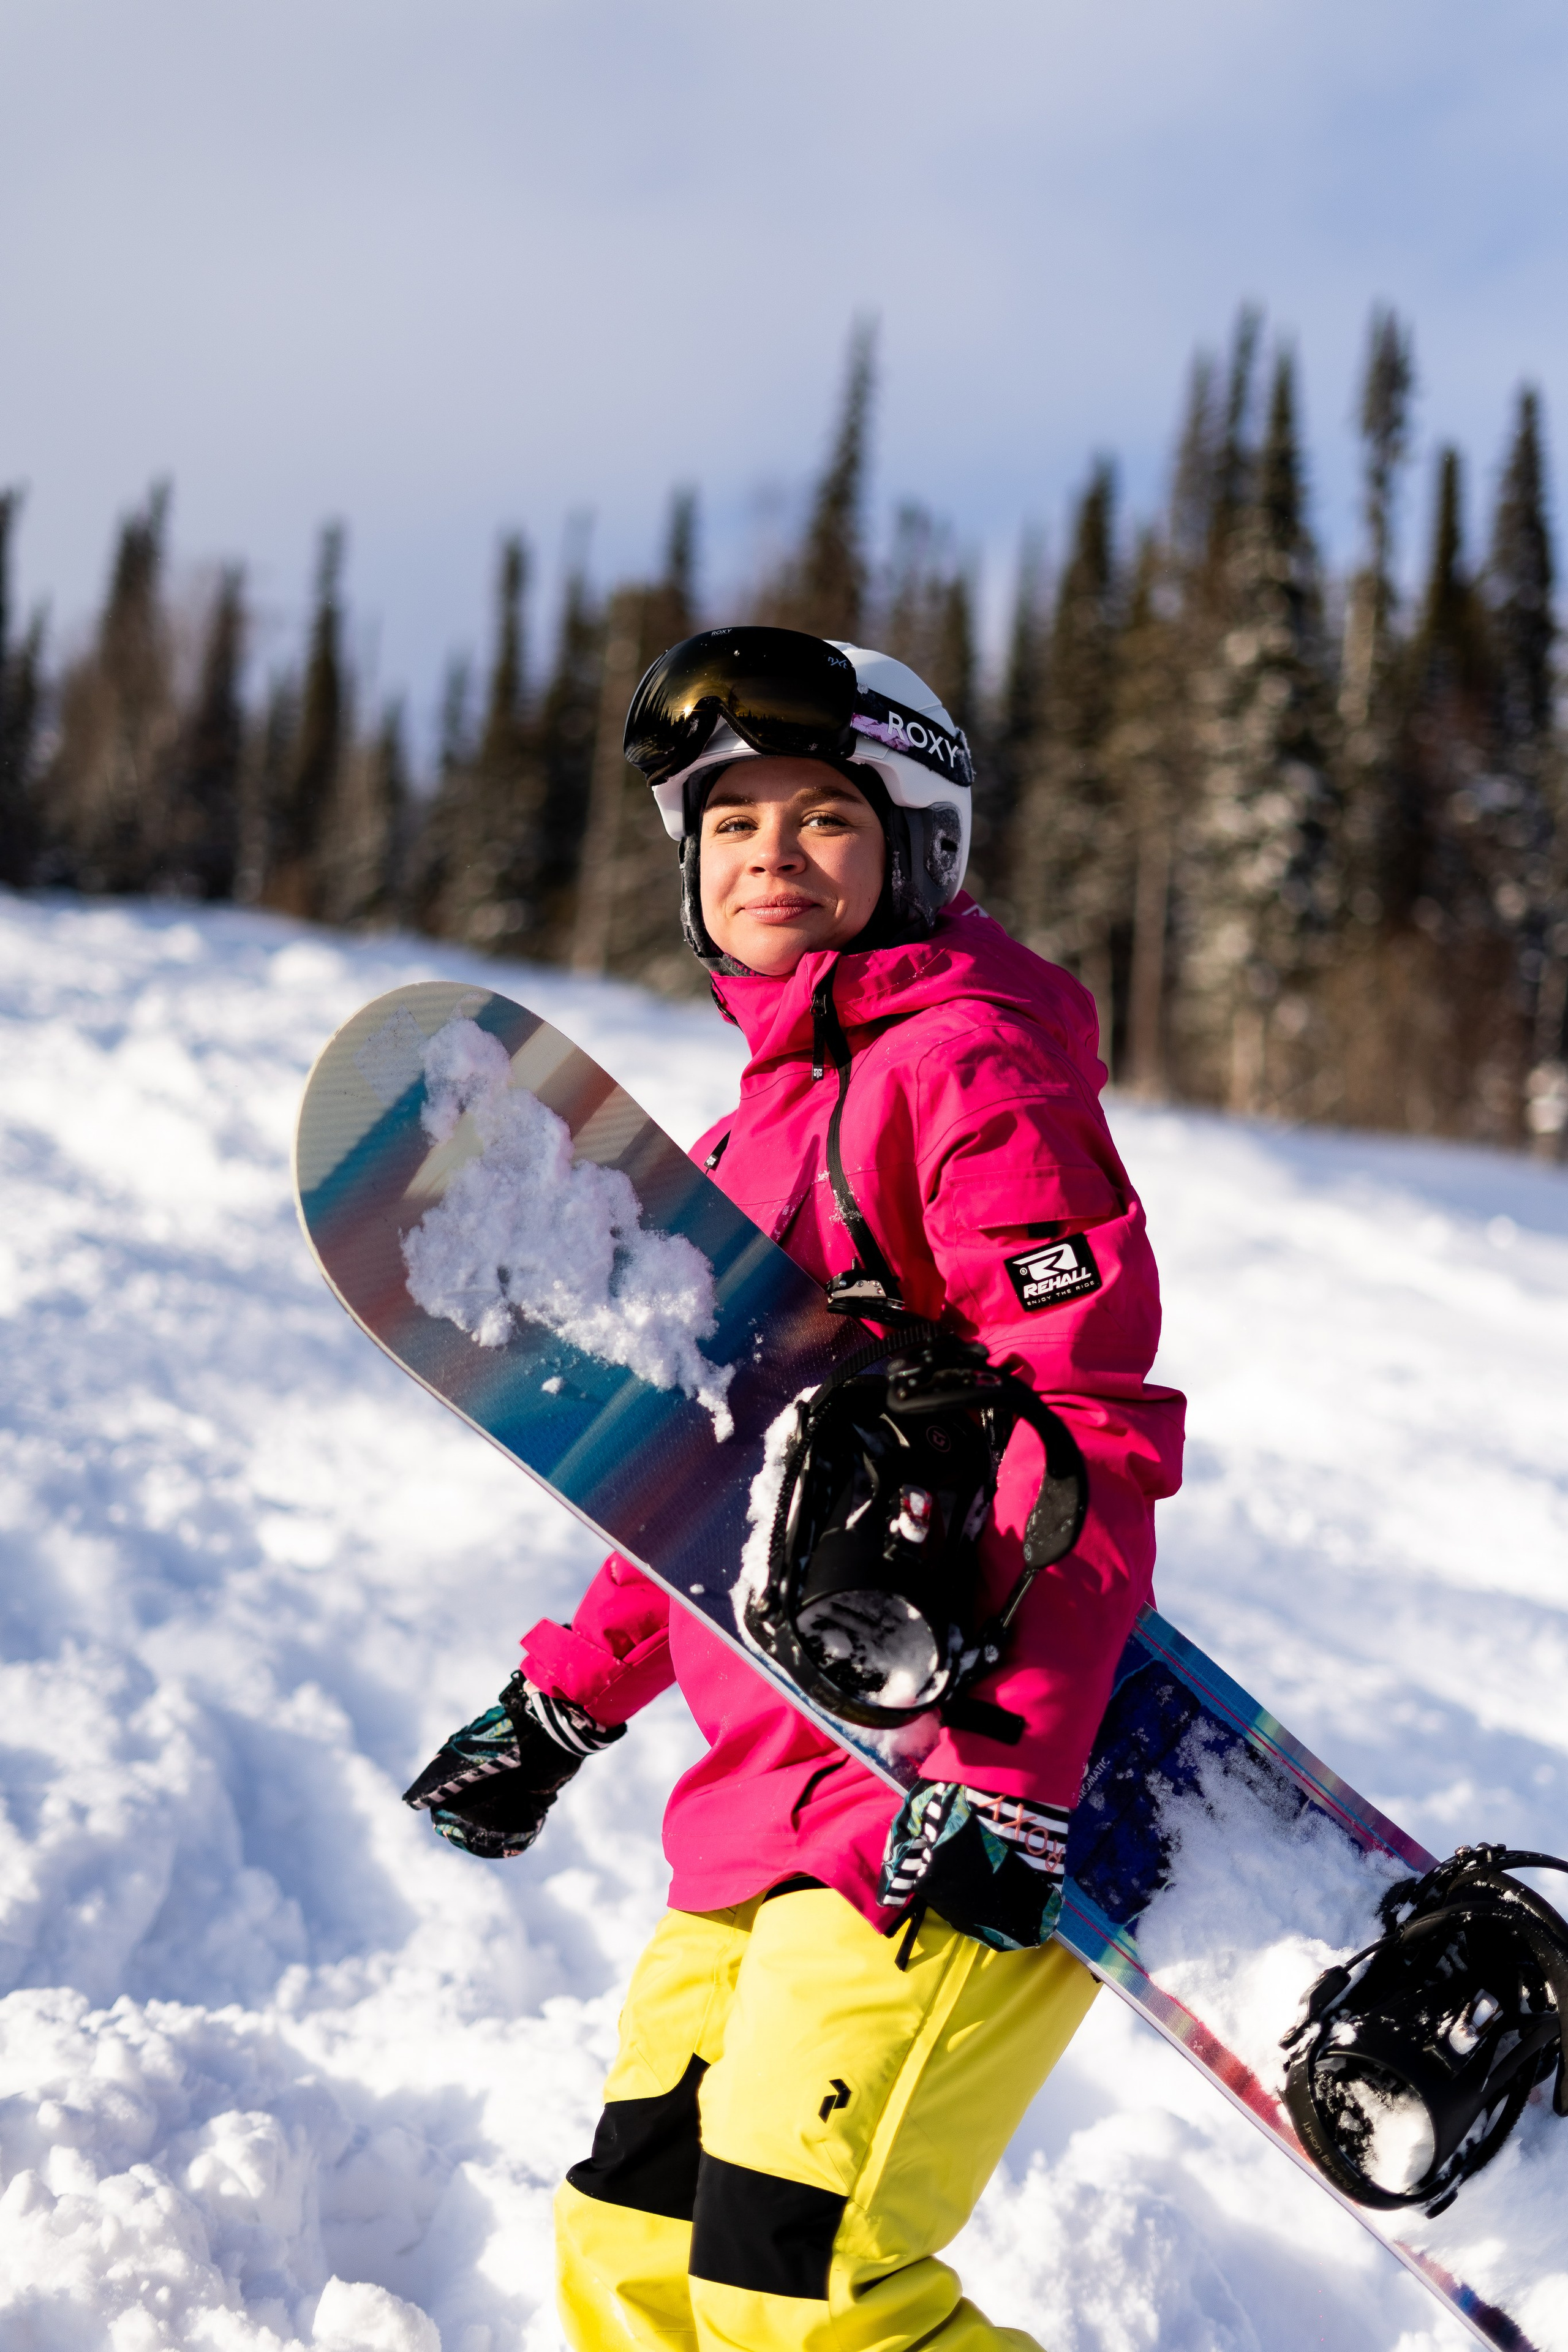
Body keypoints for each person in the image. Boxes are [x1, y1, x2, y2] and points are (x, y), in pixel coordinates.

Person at [404, 628, 1186, 2350]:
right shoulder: (765, 1124)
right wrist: (560, 1703)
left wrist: (1009, 1776)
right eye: (732, 824)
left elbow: (1087, 1424)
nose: (772, 857)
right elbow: (702, 1472)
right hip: (761, 1798)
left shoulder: (966, 1066)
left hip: (936, 1795)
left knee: (804, 2295)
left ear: (918, 847)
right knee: (633, 2252)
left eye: (825, 817)